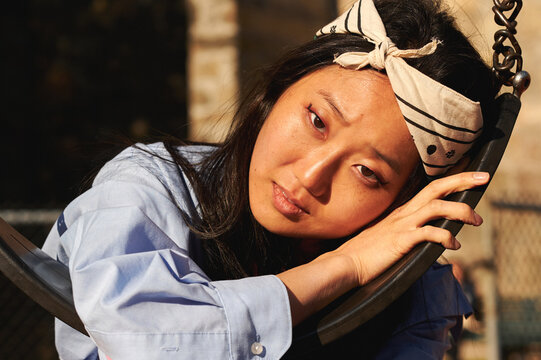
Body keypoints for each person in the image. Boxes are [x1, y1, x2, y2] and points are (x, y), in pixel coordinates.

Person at [42, 0, 498, 358]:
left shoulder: (412, 296)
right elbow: (148, 343)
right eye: (317, 120)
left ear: (402, 201)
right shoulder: (149, 190)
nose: (311, 176)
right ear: (279, 89)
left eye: (367, 172)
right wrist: (344, 267)